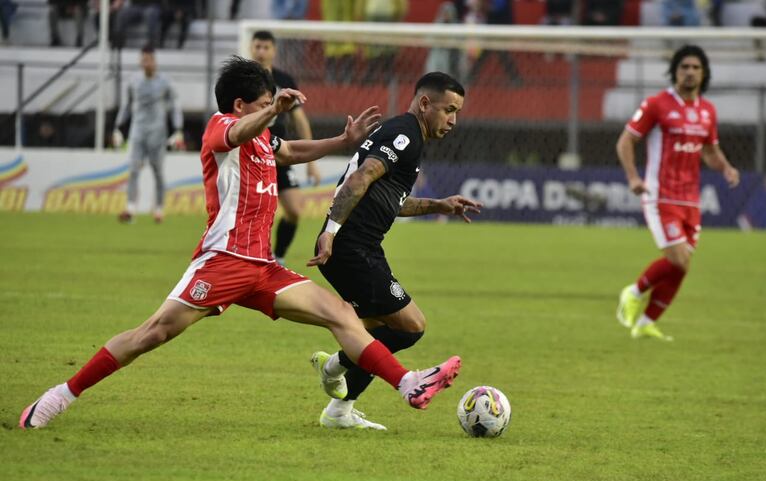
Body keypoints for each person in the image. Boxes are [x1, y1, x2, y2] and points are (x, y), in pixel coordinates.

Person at [19, 56, 462, 430]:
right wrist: (271, 112)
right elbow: (236, 133)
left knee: (341, 313)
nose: (272, 110)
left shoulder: (265, 136)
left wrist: (342, 141)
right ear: (241, 104)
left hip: (262, 268)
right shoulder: (220, 127)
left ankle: (407, 384)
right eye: (265, 103)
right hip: (223, 260)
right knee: (153, 333)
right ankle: (61, 395)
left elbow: (287, 150)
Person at [306, 71, 481, 430]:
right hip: (352, 248)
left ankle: (338, 405)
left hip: (361, 247)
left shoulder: (409, 138)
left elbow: (392, 201)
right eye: (449, 110)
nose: (453, 120)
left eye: (458, 112)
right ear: (424, 103)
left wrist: (440, 205)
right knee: (410, 326)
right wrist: (332, 232)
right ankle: (335, 368)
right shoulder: (404, 134)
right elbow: (360, 179)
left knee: (371, 331)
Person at [615, 45, 740, 340]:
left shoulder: (707, 111)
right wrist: (634, 177)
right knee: (678, 259)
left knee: (681, 266)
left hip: (691, 199)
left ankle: (645, 323)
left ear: (704, 73)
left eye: (696, 67)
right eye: (684, 67)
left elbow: (709, 151)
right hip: (660, 195)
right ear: (675, 71)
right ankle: (632, 292)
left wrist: (726, 168)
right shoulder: (657, 104)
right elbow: (625, 142)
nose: (690, 72)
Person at [250, 30, 321, 264]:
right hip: (250, 153)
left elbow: (300, 120)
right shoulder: (243, 78)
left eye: (265, 47)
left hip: (277, 152)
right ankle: (247, 255)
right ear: (251, 48)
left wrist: (311, 162)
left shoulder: (285, 81)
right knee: (252, 211)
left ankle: (277, 257)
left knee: (294, 209)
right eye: (257, 46)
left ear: (274, 50)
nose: (261, 51)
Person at [112, 45, 183, 224]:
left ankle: (159, 209)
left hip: (158, 133)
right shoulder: (133, 81)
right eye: (143, 59)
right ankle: (130, 208)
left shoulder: (165, 82)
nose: (146, 62)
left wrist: (177, 128)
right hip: (137, 131)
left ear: (154, 61)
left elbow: (175, 105)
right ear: (140, 61)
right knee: (134, 169)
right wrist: (119, 126)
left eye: (149, 59)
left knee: (157, 171)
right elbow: (127, 106)